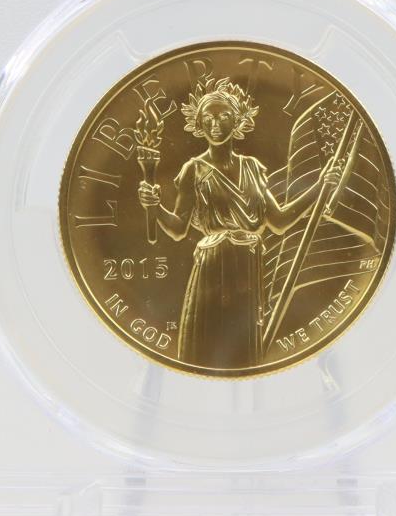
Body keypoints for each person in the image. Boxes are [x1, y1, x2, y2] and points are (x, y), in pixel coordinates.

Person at [138, 76, 339, 368]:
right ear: (198, 123)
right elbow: (178, 229)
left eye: (223, 117)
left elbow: (279, 221)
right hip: (212, 266)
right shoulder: (193, 169)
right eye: (208, 118)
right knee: (208, 344)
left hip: (247, 267)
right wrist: (154, 207)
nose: (215, 124)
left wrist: (320, 188)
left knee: (245, 350)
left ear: (238, 121)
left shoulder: (252, 168)